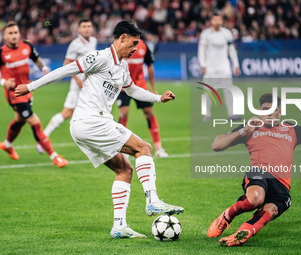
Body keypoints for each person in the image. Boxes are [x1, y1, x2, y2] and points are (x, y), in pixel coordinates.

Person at [15, 20, 184, 238]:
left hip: (84, 127)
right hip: (92, 121)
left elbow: (132, 90)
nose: (135, 49)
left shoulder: (122, 66)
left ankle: (119, 226)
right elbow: (65, 70)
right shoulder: (100, 57)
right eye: (133, 43)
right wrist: (31, 86)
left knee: (124, 170)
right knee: (144, 148)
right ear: (122, 38)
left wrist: (158, 98)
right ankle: (153, 201)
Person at [207, 93, 301, 246]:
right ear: (259, 111)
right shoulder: (252, 127)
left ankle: (244, 232)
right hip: (260, 173)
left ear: (280, 112)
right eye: (265, 109)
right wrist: (243, 131)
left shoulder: (292, 129)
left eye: (274, 109)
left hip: (282, 185)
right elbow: (216, 145)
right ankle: (227, 215)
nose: (269, 113)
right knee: (255, 199)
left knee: (270, 210)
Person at [0, 21, 68, 168]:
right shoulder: (1, 53)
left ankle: (7, 144)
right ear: (5, 36)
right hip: (14, 94)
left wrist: (44, 68)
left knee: (20, 119)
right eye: (10, 33)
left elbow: (36, 59)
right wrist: (4, 82)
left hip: (27, 90)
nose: (13, 35)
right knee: (34, 121)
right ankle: (54, 156)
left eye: (16, 32)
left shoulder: (27, 46)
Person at [36, 19, 97, 153]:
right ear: (79, 29)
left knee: (93, 113)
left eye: (89, 26)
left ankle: (95, 144)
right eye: (84, 26)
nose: (87, 29)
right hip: (78, 86)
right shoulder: (75, 45)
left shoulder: (93, 41)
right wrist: (77, 79)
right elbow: (66, 64)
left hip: (89, 85)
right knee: (67, 113)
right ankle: (43, 138)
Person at [117, 38, 168, 158]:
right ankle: (122, 149)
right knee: (123, 114)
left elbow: (150, 65)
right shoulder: (120, 46)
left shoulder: (143, 46)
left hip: (140, 86)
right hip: (123, 87)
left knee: (149, 113)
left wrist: (153, 88)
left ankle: (159, 148)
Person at [198, 12, 240, 122]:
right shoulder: (205, 34)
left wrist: (236, 64)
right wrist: (203, 64)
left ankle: (232, 114)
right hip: (210, 68)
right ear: (211, 21)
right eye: (215, 20)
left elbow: (232, 50)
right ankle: (207, 115)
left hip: (224, 67)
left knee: (229, 91)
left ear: (222, 21)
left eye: (219, 20)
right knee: (207, 92)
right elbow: (201, 51)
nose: (217, 22)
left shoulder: (227, 33)